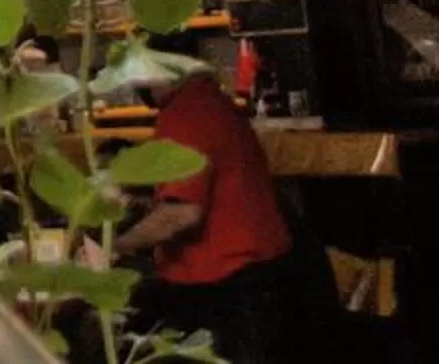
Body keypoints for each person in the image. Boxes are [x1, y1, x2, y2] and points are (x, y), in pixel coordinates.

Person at [112, 68, 327, 362]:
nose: (138, 84)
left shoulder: (185, 113)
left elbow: (181, 214)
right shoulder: (212, 101)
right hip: (267, 277)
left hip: (229, 288)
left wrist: (116, 245)